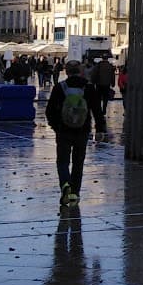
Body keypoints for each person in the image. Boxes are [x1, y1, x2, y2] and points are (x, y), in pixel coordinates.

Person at [45, 60, 107, 210]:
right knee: (78, 163)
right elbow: (97, 111)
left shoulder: (60, 88)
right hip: (82, 131)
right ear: (80, 71)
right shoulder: (88, 87)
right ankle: (75, 193)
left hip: (64, 131)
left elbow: (49, 111)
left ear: (66, 71)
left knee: (62, 162)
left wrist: (56, 127)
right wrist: (100, 129)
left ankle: (65, 185)